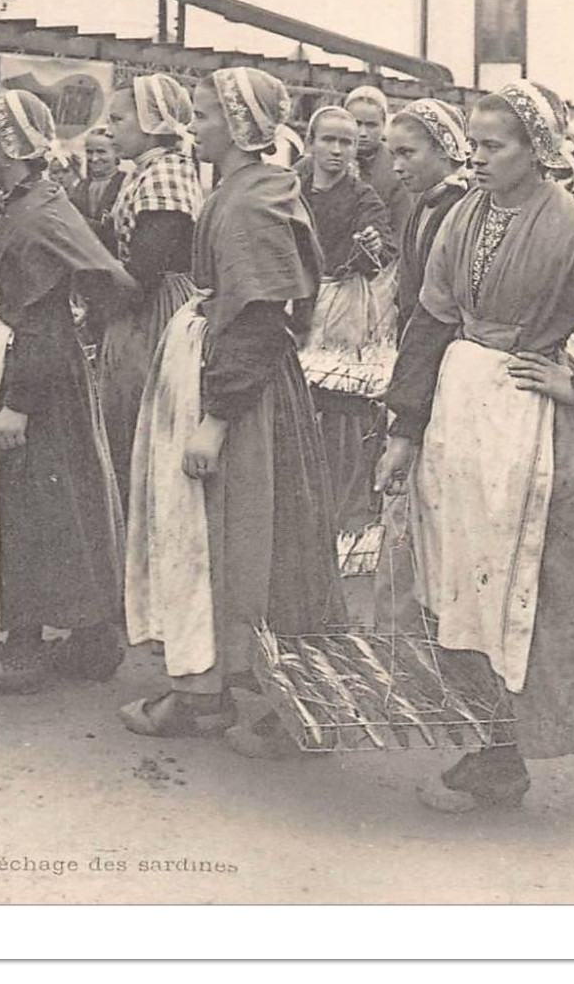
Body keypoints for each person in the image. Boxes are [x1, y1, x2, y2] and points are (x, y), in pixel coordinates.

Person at [374, 78, 574, 834]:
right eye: (472, 144)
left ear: (536, 150)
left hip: (537, 426)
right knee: (466, 589)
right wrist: (403, 431)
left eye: (491, 146)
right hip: (461, 416)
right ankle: (496, 756)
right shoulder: (460, 215)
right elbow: (429, 322)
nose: (475, 159)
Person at [121, 66, 346, 756]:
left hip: (241, 398)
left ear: (243, 127)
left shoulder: (251, 200)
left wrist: (216, 419)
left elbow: (262, 318)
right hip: (221, 370)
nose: (196, 128)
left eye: (207, 115)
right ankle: (204, 690)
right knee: (214, 541)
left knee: (243, 543)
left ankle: (268, 703)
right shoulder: (242, 190)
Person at [0, 90, 135, 694]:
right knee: (56, 502)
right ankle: (93, 638)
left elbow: (42, 319)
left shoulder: (38, 214)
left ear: (11, 146)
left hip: (35, 376)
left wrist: (16, 405)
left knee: (28, 507)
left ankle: (24, 649)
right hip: (23, 362)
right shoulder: (22, 203)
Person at [96, 74, 205, 501]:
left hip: (157, 310)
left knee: (143, 412)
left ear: (152, 122)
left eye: (119, 119)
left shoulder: (167, 174)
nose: (110, 129)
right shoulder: (146, 171)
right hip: (143, 302)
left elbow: (145, 267)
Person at [297, 104, 397, 535]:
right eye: (329, 140)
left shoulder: (362, 198)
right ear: (310, 143)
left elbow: (382, 253)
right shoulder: (291, 188)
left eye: (346, 142)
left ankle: (341, 518)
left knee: (340, 413)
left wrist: (374, 246)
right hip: (292, 306)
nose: (337, 150)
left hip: (338, 319)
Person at [384, 97, 470, 337]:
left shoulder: (462, 207)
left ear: (444, 150)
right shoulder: (425, 202)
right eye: (393, 155)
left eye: (407, 153)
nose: (396, 167)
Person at [342, 84, 413, 236]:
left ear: (383, 125)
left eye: (371, 125)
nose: (362, 133)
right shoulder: (327, 159)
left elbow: (402, 225)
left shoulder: (397, 168)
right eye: (357, 123)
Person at [68, 126, 127, 251]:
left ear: (117, 153)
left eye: (101, 152)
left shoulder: (126, 183)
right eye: (89, 152)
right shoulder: (80, 186)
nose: (94, 158)